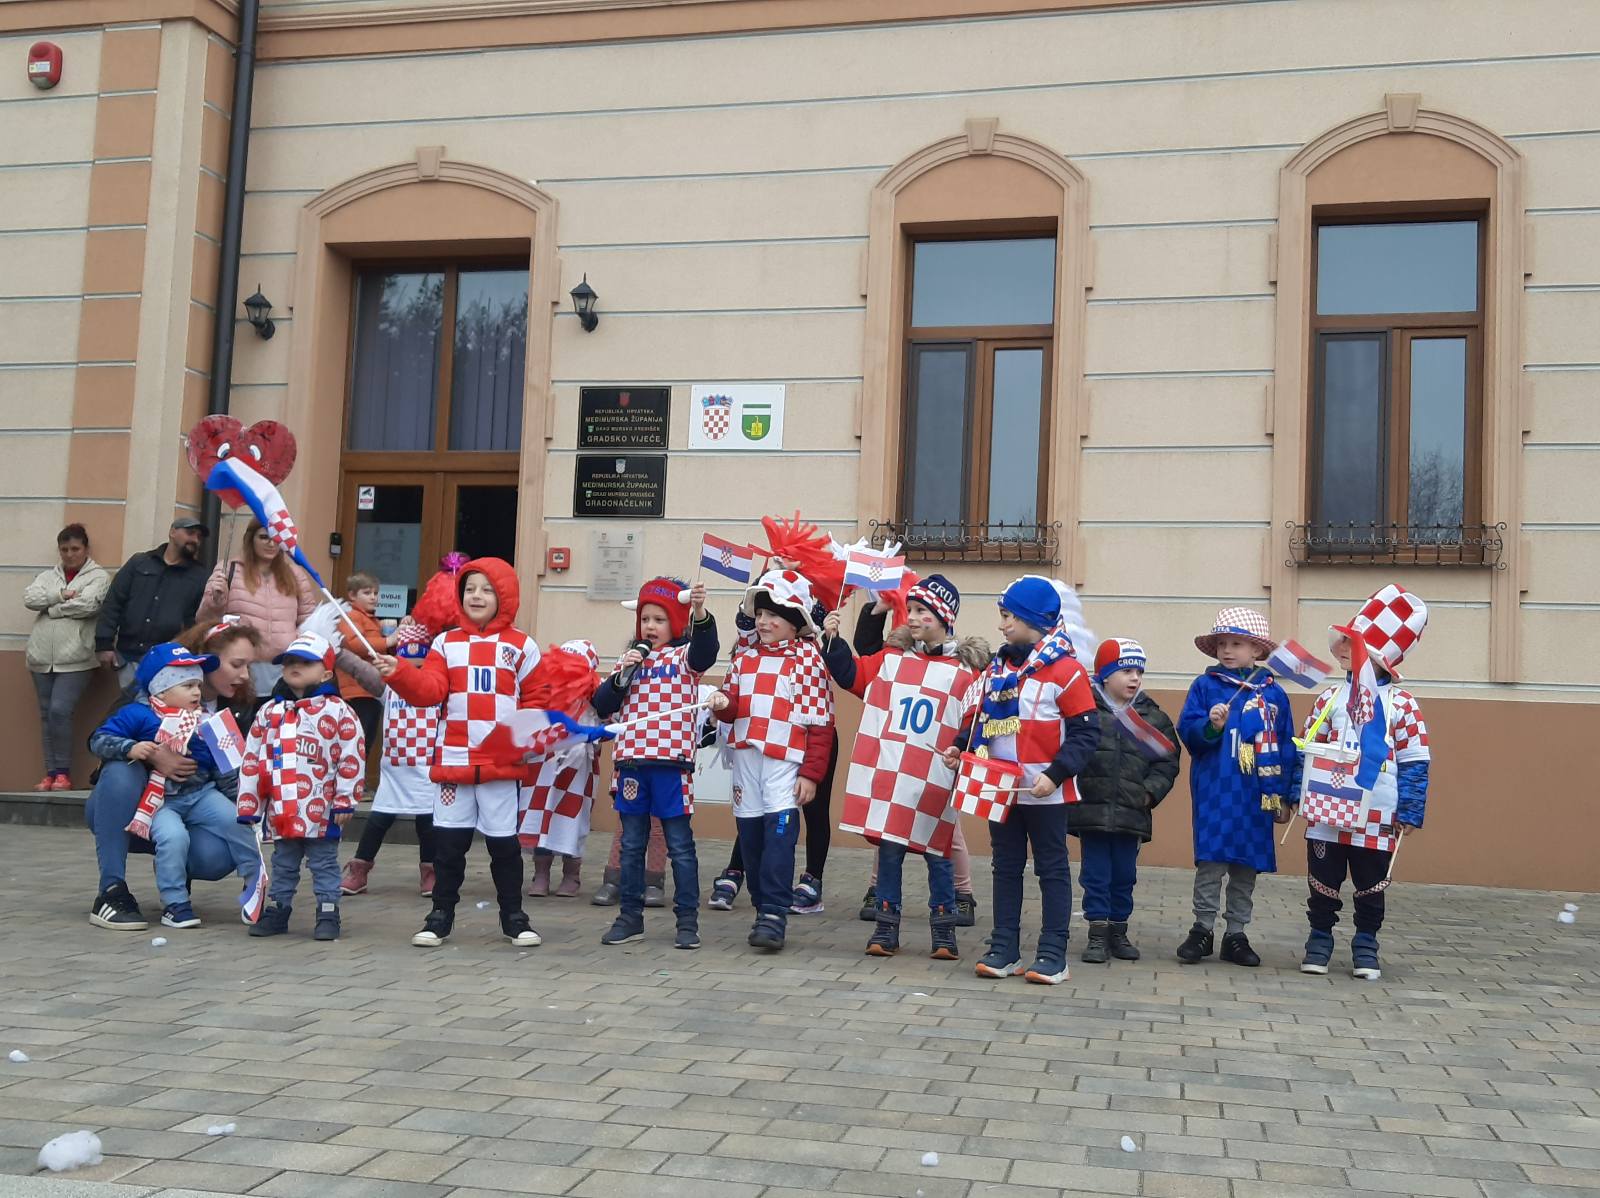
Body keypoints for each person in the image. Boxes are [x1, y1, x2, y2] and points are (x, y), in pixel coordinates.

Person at [375, 557, 544, 949]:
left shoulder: (522, 645)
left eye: (486, 589)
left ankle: (514, 918)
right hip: (454, 762)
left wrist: (528, 742)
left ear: (504, 595)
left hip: (501, 766)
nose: (477, 596)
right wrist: (397, 672)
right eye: (470, 589)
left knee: (505, 847)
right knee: (448, 847)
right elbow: (430, 690)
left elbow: (536, 700)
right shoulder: (445, 643)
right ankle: (439, 916)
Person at [823, 574, 987, 960]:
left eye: (921, 612)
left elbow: (974, 720)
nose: (912, 618)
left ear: (944, 617)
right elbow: (853, 676)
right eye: (910, 610)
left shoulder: (966, 672)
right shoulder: (892, 659)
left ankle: (944, 934)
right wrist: (832, 641)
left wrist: (962, 749)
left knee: (938, 853)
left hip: (934, 777)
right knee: (891, 850)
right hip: (893, 773)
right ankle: (885, 928)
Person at [952, 576, 1099, 986]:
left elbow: (1087, 733)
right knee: (1005, 867)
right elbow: (983, 719)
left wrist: (1055, 776)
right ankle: (1004, 947)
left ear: (1032, 619)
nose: (1001, 625)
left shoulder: (1066, 671)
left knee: (1052, 869)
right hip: (1001, 787)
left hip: (1047, 791)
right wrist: (960, 746)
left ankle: (1054, 952)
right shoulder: (999, 667)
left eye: (1007, 616)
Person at [85, 620, 261, 931]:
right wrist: (150, 755)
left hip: (198, 798)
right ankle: (117, 892)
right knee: (126, 779)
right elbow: (98, 740)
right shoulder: (140, 707)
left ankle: (256, 886)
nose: (245, 675)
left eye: (249, 665)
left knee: (235, 825)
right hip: (141, 804)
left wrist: (248, 807)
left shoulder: (232, 710)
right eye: (236, 664)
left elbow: (230, 771)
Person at [1296, 585, 1431, 981]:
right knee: (1324, 876)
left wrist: (1409, 807)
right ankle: (1319, 938)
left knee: (1371, 882)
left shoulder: (1402, 705)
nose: (1341, 651)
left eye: (1351, 646)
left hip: (1377, 813)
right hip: (1327, 809)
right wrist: (1293, 792)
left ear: (1377, 660)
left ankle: (1366, 942)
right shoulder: (1330, 699)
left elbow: (1415, 758)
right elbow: (1307, 747)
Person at [591, 577, 719, 950]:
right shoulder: (631, 661)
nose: (650, 626)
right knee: (632, 844)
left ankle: (687, 922)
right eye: (645, 619)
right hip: (632, 764)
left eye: (659, 620)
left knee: (680, 845)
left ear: (675, 623)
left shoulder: (684, 658)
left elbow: (707, 651)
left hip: (671, 765)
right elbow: (603, 704)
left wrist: (699, 611)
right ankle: (630, 918)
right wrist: (620, 676)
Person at [711, 570, 834, 952]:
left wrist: (812, 774)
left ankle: (775, 914)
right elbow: (732, 707)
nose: (764, 621)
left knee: (780, 836)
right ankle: (763, 906)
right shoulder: (743, 658)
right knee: (750, 836)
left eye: (774, 614)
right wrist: (721, 705)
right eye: (760, 613)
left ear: (795, 621)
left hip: (784, 762)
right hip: (746, 760)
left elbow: (821, 725)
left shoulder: (807, 660)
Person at [1175, 608, 1297, 968]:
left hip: (1256, 794)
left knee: (1245, 867)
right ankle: (1202, 928)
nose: (1227, 651)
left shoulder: (1274, 695)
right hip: (1216, 788)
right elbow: (1190, 733)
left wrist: (1286, 795)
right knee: (1211, 862)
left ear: (1257, 650)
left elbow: (1287, 745)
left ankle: (1236, 933)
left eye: (1237, 644)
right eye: (1222, 644)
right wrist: (1211, 726)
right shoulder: (1205, 686)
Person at [238, 632, 366, 941]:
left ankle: (327, 911)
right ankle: (279, 908)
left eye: (306, 662)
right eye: (290, 662)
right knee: (283, 862)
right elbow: (252, 757)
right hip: (282, 808)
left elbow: (352, 756)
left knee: (323, 862)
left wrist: (346, 800)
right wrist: (249, 804)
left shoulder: (338, 712)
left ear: (325, 672)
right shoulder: (269, 713)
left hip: (321, 809)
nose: (295, 666)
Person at [1070, 638, 1180, 964]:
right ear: (1104, 675)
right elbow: (1068, 749)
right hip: (1093, 809)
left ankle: (1118, 930)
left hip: (1132, 812)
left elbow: (1167, 760)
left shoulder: (1150, 716)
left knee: (1124, 874)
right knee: (1095, 873)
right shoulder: (1084, 710)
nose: (1134, 678)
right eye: (1126, 670)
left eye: (1139, 672)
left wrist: (1149, 792)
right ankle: (1097, 932)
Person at [25, 524, 110, 790]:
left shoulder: (98, 577)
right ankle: (50, 774)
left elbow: (89, 605)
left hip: (76, 657)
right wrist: (60, 595)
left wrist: (52, 609)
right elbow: (30, 598)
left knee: (60, 710)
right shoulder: (48, 577)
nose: (70, 554)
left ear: (85, 549)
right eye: (64, 549)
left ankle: (63, 772)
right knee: (47, 715)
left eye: (75, 549)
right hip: (41, 656)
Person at [196, 517, 318, 700]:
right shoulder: (229, 570)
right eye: (264, 537)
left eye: (277, 539)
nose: (271, 544)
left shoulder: (295, 574)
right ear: (250, 539)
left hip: (284, 670)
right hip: (242, 670)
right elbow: (205, 621)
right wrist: (216, 600)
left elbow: (309, 622)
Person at [520, 639, 605, 899]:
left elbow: (606, 729)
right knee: (540, 820)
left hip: (578, 775)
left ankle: (572, 874)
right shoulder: (544, 695)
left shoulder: (594, 701)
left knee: (572, 821)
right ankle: (541, 873)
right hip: (542, 772)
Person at [95, 517, 210, 695]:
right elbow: (113, 602)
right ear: (172, 532)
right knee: (129, 706)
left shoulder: (199, 576)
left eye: (198, 536)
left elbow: (197, 621)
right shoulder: (140, 562)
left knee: (156, 709)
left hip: (166, 661)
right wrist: (104, 644)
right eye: (190, 533)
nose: (195, 540)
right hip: (129, 656)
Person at [333, 570, 394, 751]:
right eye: (367, 593)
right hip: (356, 689)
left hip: (371, 690)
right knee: (359, 740)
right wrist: (387, 641)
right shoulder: (351, 616)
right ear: (352, 595)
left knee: (367, 740)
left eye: (375, 593)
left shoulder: (371, 619)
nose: (373, 597)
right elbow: (354, 644)